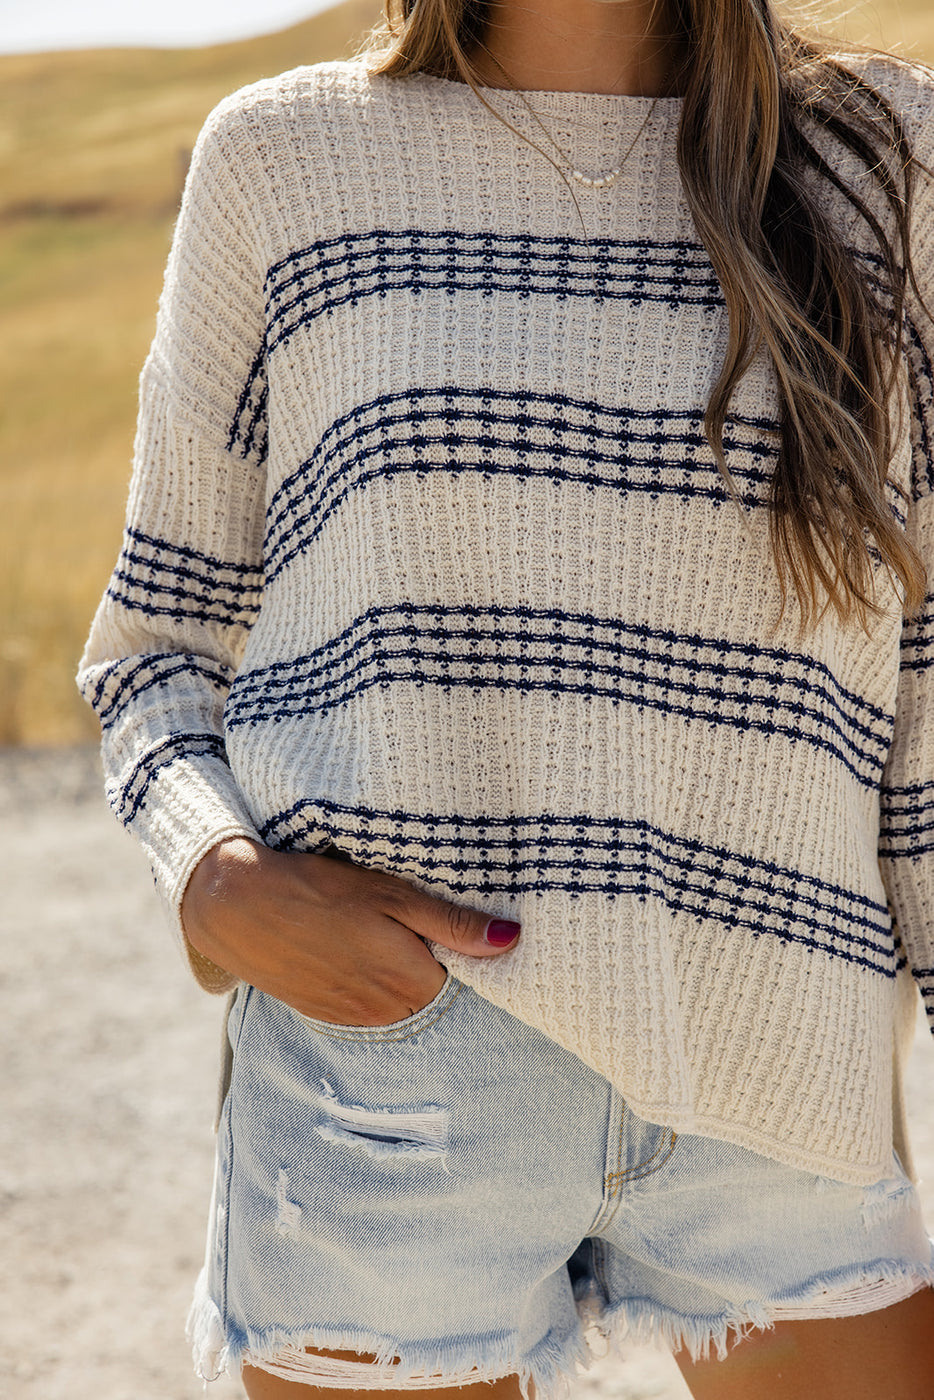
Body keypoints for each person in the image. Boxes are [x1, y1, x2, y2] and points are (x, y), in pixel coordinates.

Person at [77, 0, 934, 1396]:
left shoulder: (886, 158)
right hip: (393, 1075)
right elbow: (154, 644)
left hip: (779, 1068)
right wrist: (217, 879)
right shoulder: (286, 164)